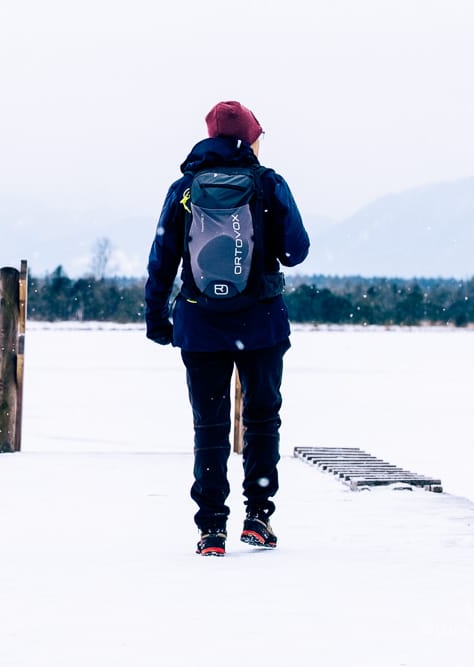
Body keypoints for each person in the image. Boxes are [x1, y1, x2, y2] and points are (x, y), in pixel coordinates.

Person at [145, 101, 310, 556]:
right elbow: (296, 251)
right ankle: (258, 515)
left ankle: (211, 528)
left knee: (210, 425)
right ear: (251, 137)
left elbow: (163, 260)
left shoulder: (184, 189)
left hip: (200, 325)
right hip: (261, 322)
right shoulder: (269, 183)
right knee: (261, 419)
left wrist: (158, 318)